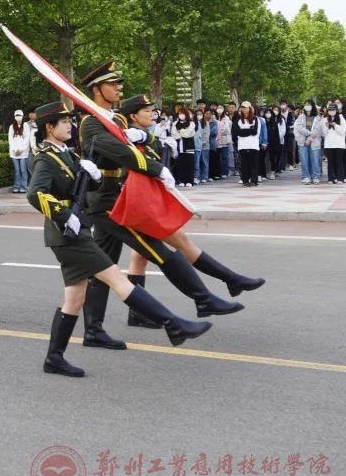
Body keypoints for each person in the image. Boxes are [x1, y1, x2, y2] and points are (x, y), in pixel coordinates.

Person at [27, 100, 211, 376]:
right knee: (117, 279)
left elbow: (86, 186)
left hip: (76, 230)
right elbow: (35, 194)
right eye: (64, 122)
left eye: (70, 121)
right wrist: (64, 216)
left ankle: (54, 358)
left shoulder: (67, 153)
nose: (70, 126)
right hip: (67, 235)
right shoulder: (45, 158)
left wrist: (93, 176)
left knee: (74, 298)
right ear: (50, 128)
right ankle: (173, 324)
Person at [77, 61, 242, 350]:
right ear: (97, 89)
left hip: (113, 197)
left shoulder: (114, 120)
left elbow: (137, 142)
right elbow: (120, 152)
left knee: (102, 267)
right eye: (112, 84)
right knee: (159, 250)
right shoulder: (91, 122)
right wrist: (155, 168)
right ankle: (203, 300)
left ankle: (93, 331)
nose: (118, 88)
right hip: (105, 201)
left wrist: (146, 137)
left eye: (118, 83)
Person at [118, 95, 265, 328]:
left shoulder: (145, 135)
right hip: (139, 203)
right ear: (133, 116)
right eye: (146, 111)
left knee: (140, 257)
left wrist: (152, 139)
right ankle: (225, 284)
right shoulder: (127, 138)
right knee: (181, 243)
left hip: (146, 201)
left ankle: (137, 313)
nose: (152, 114)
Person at [294, 99, 323, 184]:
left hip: (314, 141)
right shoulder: (301, 117)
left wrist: (309, 139)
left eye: (309, 104)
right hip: (303, 141)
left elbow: (317, 130)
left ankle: (315, 176)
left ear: (312, 106)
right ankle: (306, 176)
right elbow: (299, 128)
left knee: (315, 159)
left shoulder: (317, 118)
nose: (307, 106)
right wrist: (309, 133)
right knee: (304, 160)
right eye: (306, 104)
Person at [7, 109, 32, 194]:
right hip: (14, 152)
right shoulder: (11, 127)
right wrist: (15, 149)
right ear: (14, 116)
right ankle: (16, 186)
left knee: (23, 170)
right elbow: (10, 139)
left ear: (22, 116)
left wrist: (21, 149)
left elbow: (27, 139)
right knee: (17, 170)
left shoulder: (26, 126)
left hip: (23, 153)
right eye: (16, 115)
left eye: (19, 115)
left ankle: (24, 187)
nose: (18, 117)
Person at [323, 103, 346, 184]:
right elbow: (324, 133)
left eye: (333, 110)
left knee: (339, 162)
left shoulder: (341, 118)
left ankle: (340, 178)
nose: (331, 111)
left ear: (336, 110)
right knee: (330, 162)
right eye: (330, 110)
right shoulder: (325, 119)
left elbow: (343, 131)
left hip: (339, 144)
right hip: (329, 144)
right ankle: (331, 178)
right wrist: (326, 126)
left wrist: (335, 125)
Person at [172, 108, 196, 187]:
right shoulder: (176, 123)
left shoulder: (191, 123)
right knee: (181, 164)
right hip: (179, 146)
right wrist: (182, 132)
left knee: (189, 163)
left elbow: (188, 134)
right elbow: (174, 134)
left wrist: (180, 132)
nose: (181, 115)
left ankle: (189, 181)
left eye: (182, 113)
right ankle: (182, 180)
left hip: (189, 146)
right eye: (179, 113)